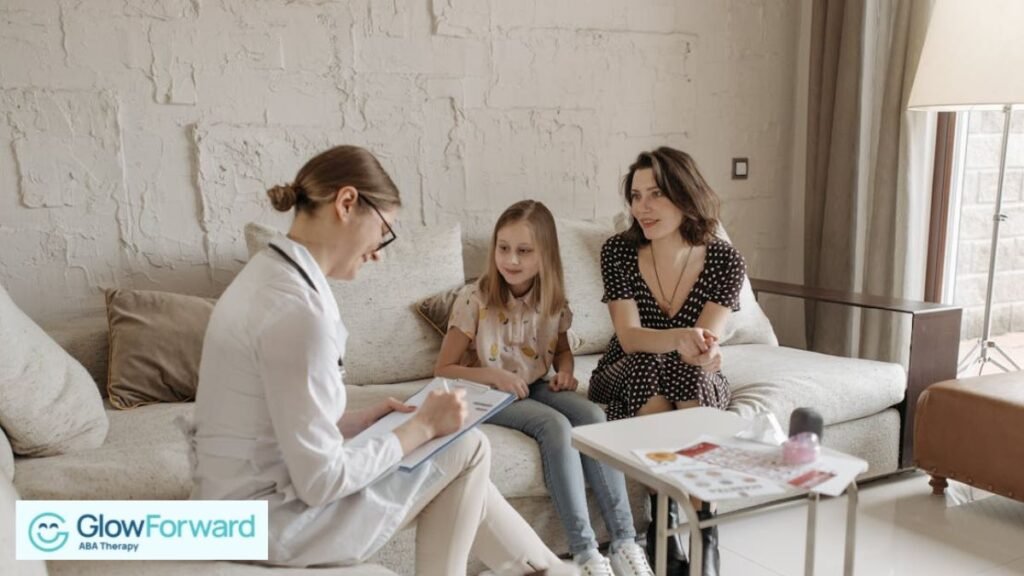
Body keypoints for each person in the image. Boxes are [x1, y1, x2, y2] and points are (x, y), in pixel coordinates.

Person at [190, 146, 566, 576]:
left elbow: (269, 421)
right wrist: (419, 428)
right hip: (270, 523)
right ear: (347, 203)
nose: (379, 252)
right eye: (383, 232)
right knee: (466, 446)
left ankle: (552, 570)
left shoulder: (266, 275)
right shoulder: (296, 313)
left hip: (236, 502)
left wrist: (361, 422)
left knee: (451, 454)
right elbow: (322, 481)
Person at [434, 200, 655, 576]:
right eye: (503, 248)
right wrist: (496, 377)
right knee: (554, 427)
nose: (511, 259)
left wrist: (566, 374)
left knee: (593, 415)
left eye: (524, 251)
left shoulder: (552, 300)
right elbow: (444, 368)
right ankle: (585, 552)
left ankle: (624, 542)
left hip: (533, 384)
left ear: (545, 254)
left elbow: (563, 353)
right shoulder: (475, 298)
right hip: (483, 391)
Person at [588, 147, 747, 576]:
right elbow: (630, 337)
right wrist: (681, 338)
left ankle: (699, 532)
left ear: (685, 195)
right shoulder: (618, 252)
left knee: (687, 371)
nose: (643, 207)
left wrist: (706, 350)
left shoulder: (724, 259)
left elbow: (704, 342)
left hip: (690, 372)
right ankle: (668, 518)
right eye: (636, 196)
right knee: (649, 364)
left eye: (655, 194)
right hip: (625, 369)